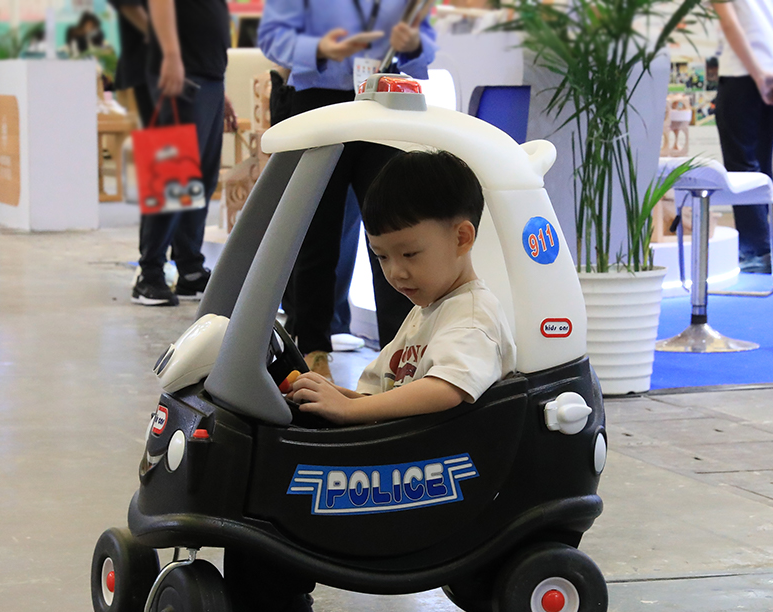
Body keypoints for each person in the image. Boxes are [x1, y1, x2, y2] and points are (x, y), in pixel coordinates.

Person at [258, 0, 438, 377]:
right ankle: (313, 348)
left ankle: (399, 350)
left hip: (385, 101)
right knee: (317, 231)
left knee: (395, 229)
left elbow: (426, 47)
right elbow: (272, 39)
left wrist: (412, 45)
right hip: (318, 102)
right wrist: (320, 49)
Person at [287, 150, 517, 425]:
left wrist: (349, 410)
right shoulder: (425, 312)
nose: (395, 272)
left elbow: (445, 389)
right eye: (381, 256)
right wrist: (341, 397)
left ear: (461, 238)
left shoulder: (472, 316)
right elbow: (389, 400)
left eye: (409, 254)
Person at [132, 0, 237, 306]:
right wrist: (171, 56)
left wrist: (219, 88)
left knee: (199, 180)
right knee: (171, 174)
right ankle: (149, 274)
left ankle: (190, 269)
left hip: (206, 76)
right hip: (178, 72)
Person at [713, 0, 773, 273]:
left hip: (744, 73)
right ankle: (765, 247)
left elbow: (729, 22)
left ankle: (756, 250)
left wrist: (757, 73)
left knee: (742, 163)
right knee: (761, 162)